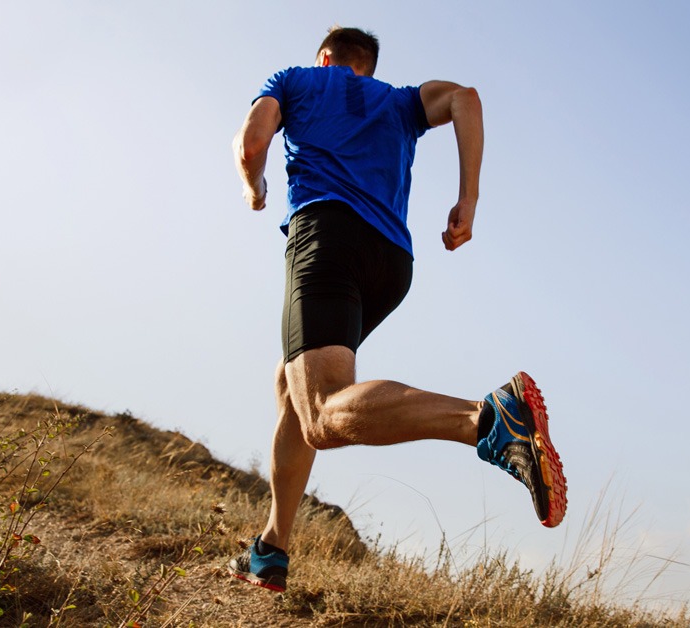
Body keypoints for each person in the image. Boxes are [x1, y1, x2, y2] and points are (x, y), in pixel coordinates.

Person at [228, 26, 567, 593]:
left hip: (326, 236)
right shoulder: (401, 101)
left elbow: (251, 142)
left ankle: (486, 420)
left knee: (321, 412)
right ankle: (271, 547)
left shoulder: (296, 81)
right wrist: (468, 200)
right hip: (391, 262)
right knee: (292, 382)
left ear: (327, 58)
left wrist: (255, 186)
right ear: (369, 64)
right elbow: (466, 99)